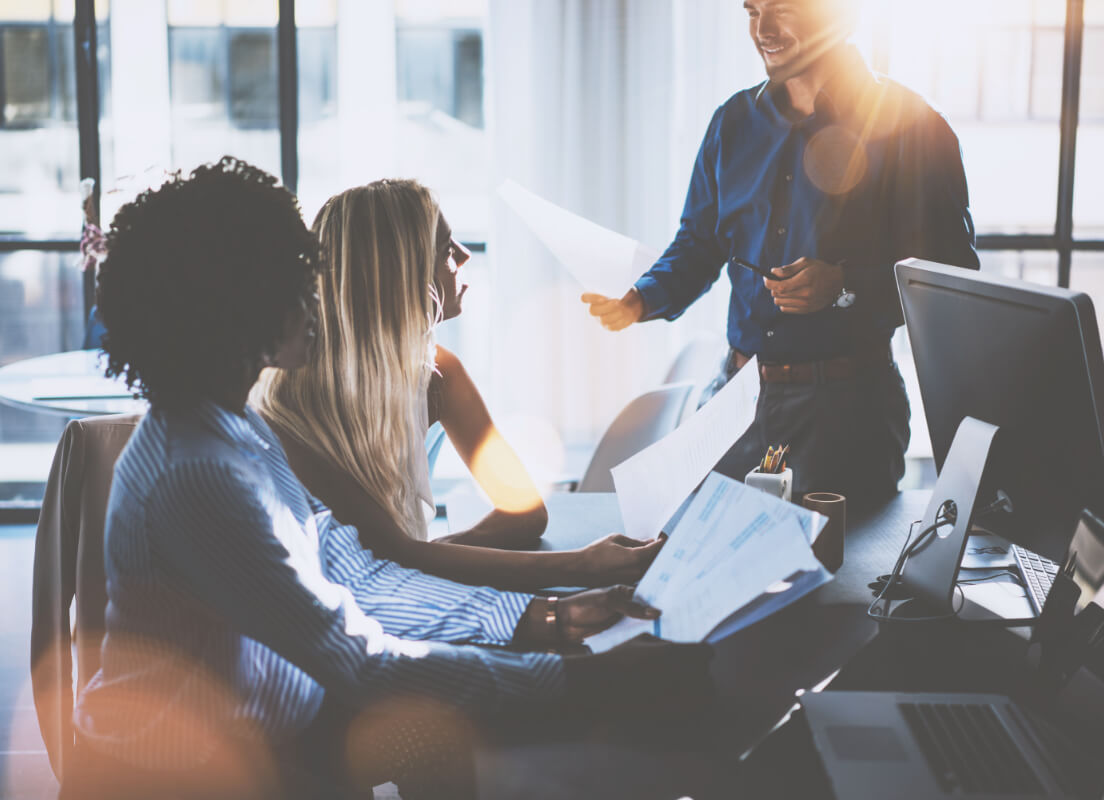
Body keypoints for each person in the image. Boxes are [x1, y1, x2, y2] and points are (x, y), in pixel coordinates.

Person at [69, 157, 707, 799]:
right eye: (298, 278)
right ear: (239, 309)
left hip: (271, 721)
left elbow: (349, 575)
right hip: (195, 772)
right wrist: (573, 677)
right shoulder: (197, 476)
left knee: (436, 731)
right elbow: (357, 660)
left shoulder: (231, 425)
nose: (319, 293)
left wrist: (546, 621)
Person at [582, 0, 980, 505]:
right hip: (735, 401)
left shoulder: (916, 129)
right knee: (714, 570)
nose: (763, 29)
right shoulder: (732, 122)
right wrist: (640, 299)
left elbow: (953, 279)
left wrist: (844, 286)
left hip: (848, 415)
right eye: (752, 11)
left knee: (837, 581)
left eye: (783, 9)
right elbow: (699, 242)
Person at [254, 179, 661, 590]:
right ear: (400, 274)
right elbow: (389, 560)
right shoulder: (289, 399)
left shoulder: (439, 373)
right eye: (446, 248)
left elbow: (525, 511)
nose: (465, 255)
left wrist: (434, 552)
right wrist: (582, 565)